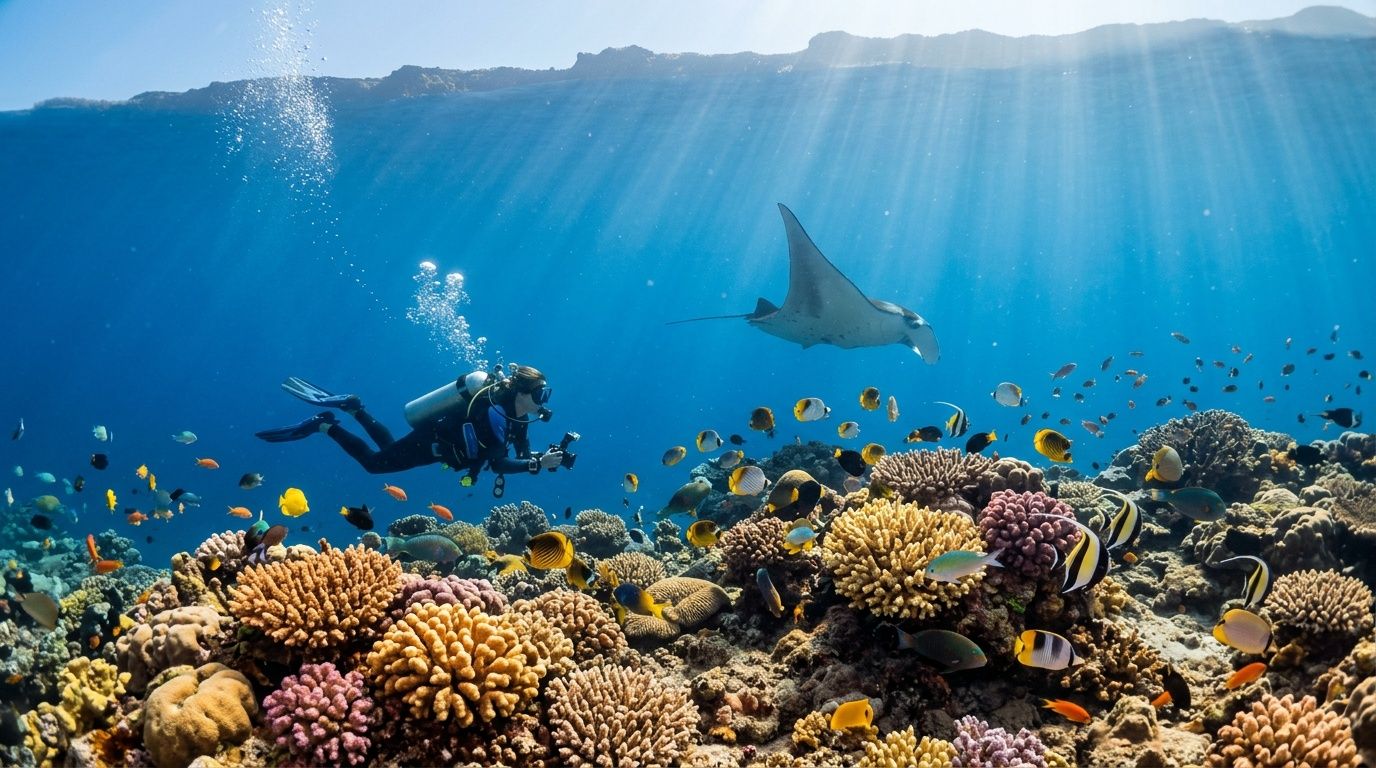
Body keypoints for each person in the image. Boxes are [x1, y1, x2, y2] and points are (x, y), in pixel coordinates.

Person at [255, 365, 572, 489]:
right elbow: (499, 461)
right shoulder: (494, 413)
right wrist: (536, 465)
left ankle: (355, 409)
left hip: (436, 445)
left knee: (388, 449)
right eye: (540, 393)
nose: (544, 400)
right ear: (521, 392)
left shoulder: (518, 418)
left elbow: (520, 452)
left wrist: (541, 458)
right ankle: (326, 426)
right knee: (375, 466)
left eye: (546, 394)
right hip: (432, 442)